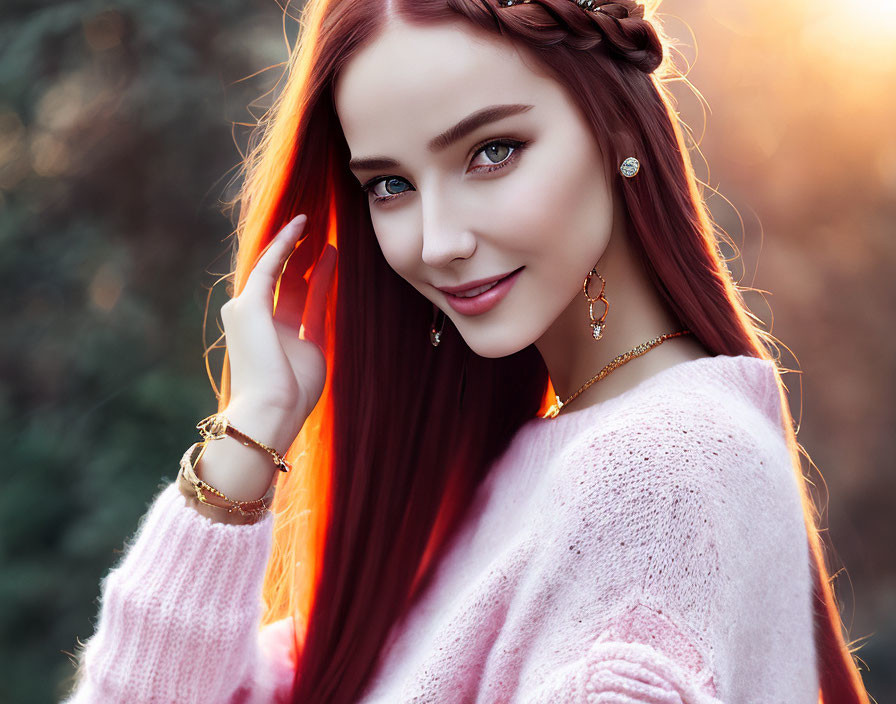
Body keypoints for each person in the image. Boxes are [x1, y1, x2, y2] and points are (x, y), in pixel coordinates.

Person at [59, 0, 871, 702]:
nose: (438, 242)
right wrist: (252, 429)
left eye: (492, 151)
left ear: (616, 125)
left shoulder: (656, 471)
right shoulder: (515, 487)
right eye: (391, 185)